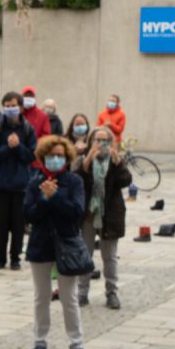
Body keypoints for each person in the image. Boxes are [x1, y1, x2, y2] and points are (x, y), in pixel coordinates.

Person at [23, 135, 89, 349]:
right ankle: (39, 342)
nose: (55, 160)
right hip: (41, 245)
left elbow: (77, 212)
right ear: (43, 157)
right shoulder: (34, 182)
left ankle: (76, 344)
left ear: (67, 158)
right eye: (51, 156)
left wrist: (56, 196)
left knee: (69, 298)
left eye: (60, 156)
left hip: (67, 246)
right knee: (41, 297)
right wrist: (43, 198)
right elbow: (29, 215)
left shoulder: (74, 182)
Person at [77, 126, 129, 310]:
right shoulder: (84, 160)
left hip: (110, 215)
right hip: (88, 216)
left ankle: (112, 293)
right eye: (97, 140)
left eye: (104, 140)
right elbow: (76, 181)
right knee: (85, 255)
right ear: (91, 142)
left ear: (111, 142)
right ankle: (82, 292)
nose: (100, 144)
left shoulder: (115, 161)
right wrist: (87, 162)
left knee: (110, 257)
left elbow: (126, 181)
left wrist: (117, 163)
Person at [0, 92, 38, 271]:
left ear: (21, 107)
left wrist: (18, 147)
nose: (10, 109)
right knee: (0, 225)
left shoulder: (27, 129)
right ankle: (0, 257)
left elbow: (31, 156)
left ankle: (15, 257)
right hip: (0, 184)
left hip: (20, 186)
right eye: (6, 105)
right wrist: (7, 147)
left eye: (13, 105)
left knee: (18, 225)